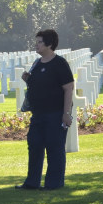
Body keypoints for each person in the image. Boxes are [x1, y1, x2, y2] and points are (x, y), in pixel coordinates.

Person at [17, 29, 75, 191]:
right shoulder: (37, 63)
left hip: (55, 113)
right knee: (34, 146)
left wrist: (66, 113)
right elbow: (37, 84)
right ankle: (32, 182)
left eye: (39, 42)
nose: (36, 45)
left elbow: (69, 88)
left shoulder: (59, 64)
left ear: (49, 44)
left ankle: (53, 183)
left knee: (54, 148)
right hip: (38, 114)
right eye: (36, 41)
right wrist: (27, 80)